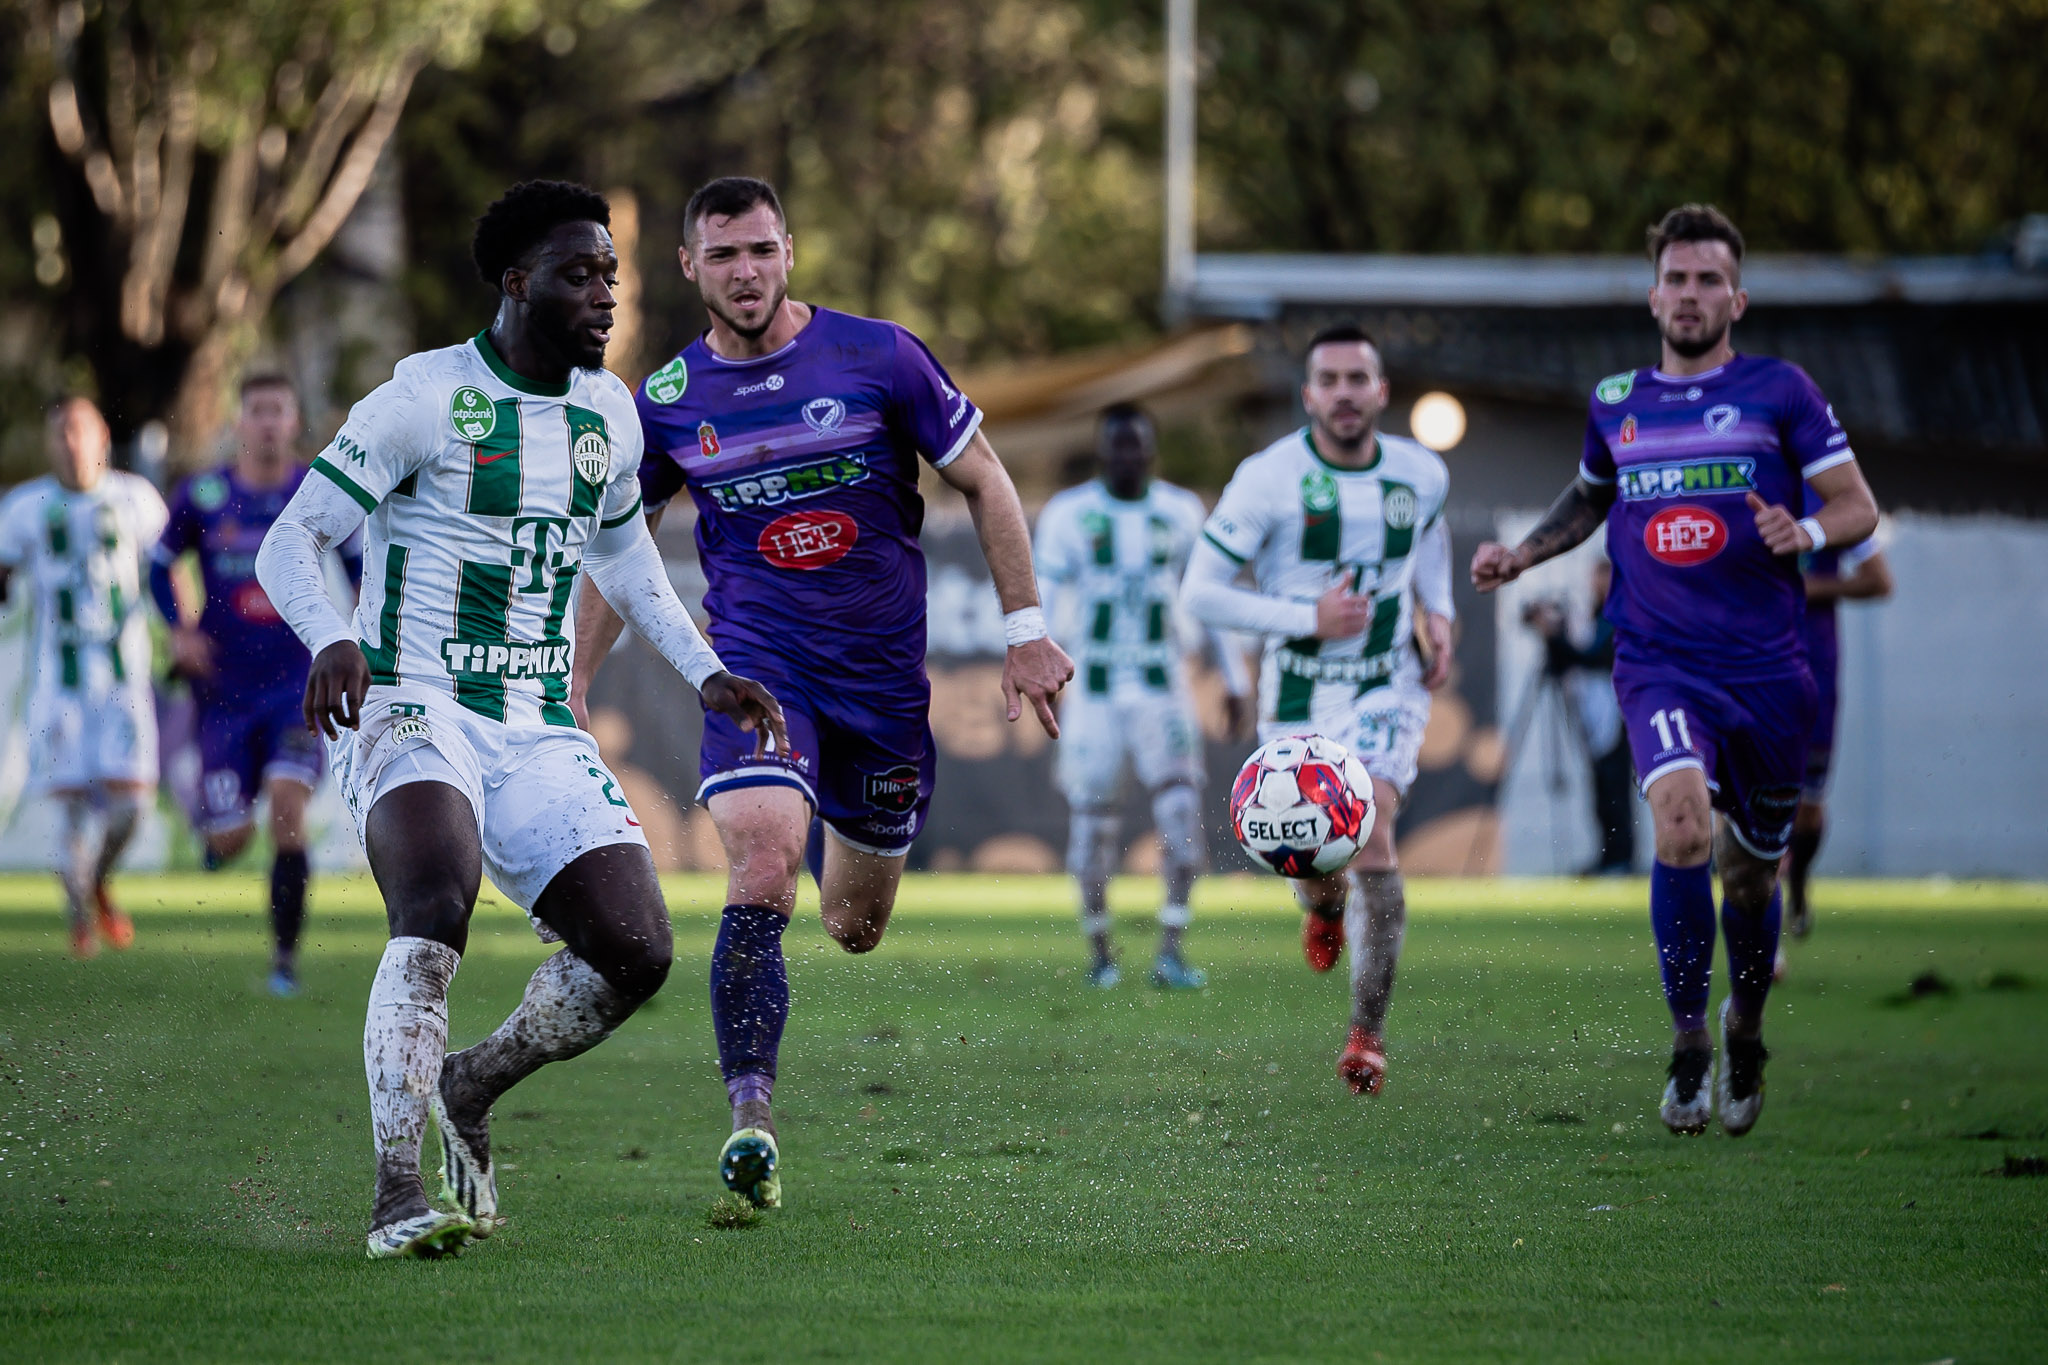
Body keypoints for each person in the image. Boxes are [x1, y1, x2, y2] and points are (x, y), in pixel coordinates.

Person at [254, 180, 785, 1260]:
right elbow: (289, 543)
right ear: (515, 284)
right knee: (435, 904)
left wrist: (704, 671)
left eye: (611, 277)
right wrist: (330, 639)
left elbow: (623, 555)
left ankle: (471, 1083)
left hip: (535, 724)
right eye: (579, 276)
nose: (603, 296)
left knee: (636, 952)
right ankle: (397, 1191)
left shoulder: (607, 412)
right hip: (411, 703)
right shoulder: (422, 400)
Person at [568, 175, 1072, 1210]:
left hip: (882, 685)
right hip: (760, 668)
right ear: (687, 268)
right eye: (723, 256)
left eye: (760, 251)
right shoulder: (664, 403)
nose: (744, 273)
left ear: (788, 251)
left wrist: (1026, 631)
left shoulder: (878, 356)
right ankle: (751, 1117)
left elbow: (985, 478)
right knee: (761, 867)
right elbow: (617, 551)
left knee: (852, 924)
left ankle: (817, 953)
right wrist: (571, 679)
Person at [1470, 203, 1879, 1138]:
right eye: (1675, 279)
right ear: (1653, 293)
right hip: (1658, 662)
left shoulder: (1782, 392)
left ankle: (1745, 1025)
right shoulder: (1617, 400)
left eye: (1708, 280)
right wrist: (1523, 556)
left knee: (1748, 875)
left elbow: (1858, 507)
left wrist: (1805, 530)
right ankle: (1689, 1042)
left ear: (1737, 296)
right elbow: (1591, 495)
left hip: (1769, 674)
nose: (1689, 295)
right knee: (1683, 830)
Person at [1182, 324, 1455, 1096]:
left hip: (1385, 685)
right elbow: (1199, 591)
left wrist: (1441, 614)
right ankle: (1321, 905)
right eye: (1327, 379)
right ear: (1308, 396)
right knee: (1323, 870)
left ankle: (1366, 1033)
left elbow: (1428, 542)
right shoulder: (1267, 479)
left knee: (1373, 837)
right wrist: (1307, 617)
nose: (1343, 392)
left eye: (1356, 378)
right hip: (1297, 697)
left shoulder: (1420, 473)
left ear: (1381, 392)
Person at [150, 375, 361, 995]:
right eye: (256, 412)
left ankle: (284, 962)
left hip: (296, 689)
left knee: (288, 812)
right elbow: (159, 568)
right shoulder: (205, 493)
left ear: (294, 422)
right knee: (231, 836)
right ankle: (215, 837)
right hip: (222, 694)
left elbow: (360, 569)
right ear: (239, 422)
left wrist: (353, 641)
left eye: (278, 411)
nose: (268, 423)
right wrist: (179, 629)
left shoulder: (315, 492)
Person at [1035, 404, 1250, 989]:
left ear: (1152, 451)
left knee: (1182, 814)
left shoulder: (1179, 511)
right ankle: (1100, 953)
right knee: (1093, 826)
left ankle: (1171, 950)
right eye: (1118, 446)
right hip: (1096, 689)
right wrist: (1041, 677)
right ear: (1102, 451)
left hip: (1162, 685)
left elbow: (1208, 598)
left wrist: (1235, 680)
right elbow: (1045, 601)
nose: (1128, 456)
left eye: (1138, 446)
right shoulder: (1070, 514)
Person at [0, 399, 167, 957]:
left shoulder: (137, 500)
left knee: (133, 806)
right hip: (59, 683)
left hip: (123, 679)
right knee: (69, 806)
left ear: (101, 438)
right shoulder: (25, 507)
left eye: (79, 430)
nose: (70, 443)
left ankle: (96, 878)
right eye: (59, 434)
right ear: (49, 444)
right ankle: (78, 916)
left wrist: (186, 626)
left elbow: (168, 568)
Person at [1784, 513, 1891, 941]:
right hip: (1747, 668)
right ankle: (1763, 945)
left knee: (1808, 808)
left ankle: (1798, 878)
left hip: (1815, 672)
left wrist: (1811, 588)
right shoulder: (1744, 484)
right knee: (1752, 798)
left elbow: (1879, 580)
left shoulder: (1832, 501)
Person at [1526, 558, 1636, 876]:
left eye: (1604, 576)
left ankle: (1621, 856)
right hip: (1593, 709)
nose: (1597, 583)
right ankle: (1607, 854)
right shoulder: (1590, 613)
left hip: (1616, 709)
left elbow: (1595, 656)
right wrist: (1552, 635)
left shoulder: (1621, 614)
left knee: (1615, 784)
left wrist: (1556, 637)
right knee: (1600, 785)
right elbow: (1570, 659)